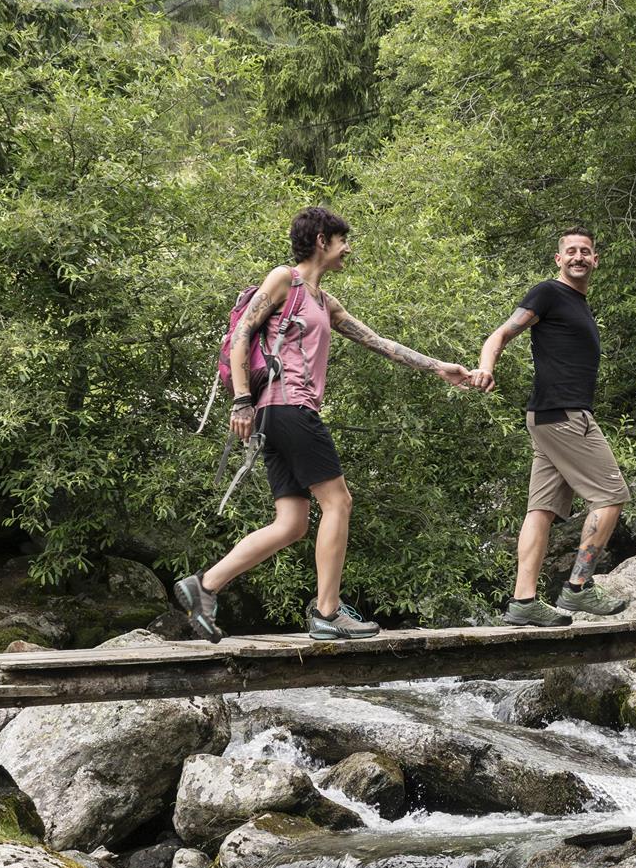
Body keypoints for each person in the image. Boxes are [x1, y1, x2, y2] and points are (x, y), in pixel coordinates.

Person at [174, 205, 478, 643]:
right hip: (287, 407)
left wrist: (438, 367)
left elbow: (379, 343)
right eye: (343, 240)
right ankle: (327, 612)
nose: (347, 249)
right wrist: (241, 401)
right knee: (339, 502)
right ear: (322, 240)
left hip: (278, 416)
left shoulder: (323, 301)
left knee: (292, 523)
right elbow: (242, 336)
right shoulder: (284, 280)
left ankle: (203, 587)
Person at [475, 229, 629, 626]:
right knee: (611, 496)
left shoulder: (579, 303)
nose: (578, 257)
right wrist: (486, 367)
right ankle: (578, 589)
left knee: (541, 510)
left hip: (547, 417)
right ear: (558, 259)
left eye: (585, 252)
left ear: (595, 260)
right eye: (571, 252)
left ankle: (523, 602)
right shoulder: (548, 293)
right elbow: (501, 334)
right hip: (565, 415)